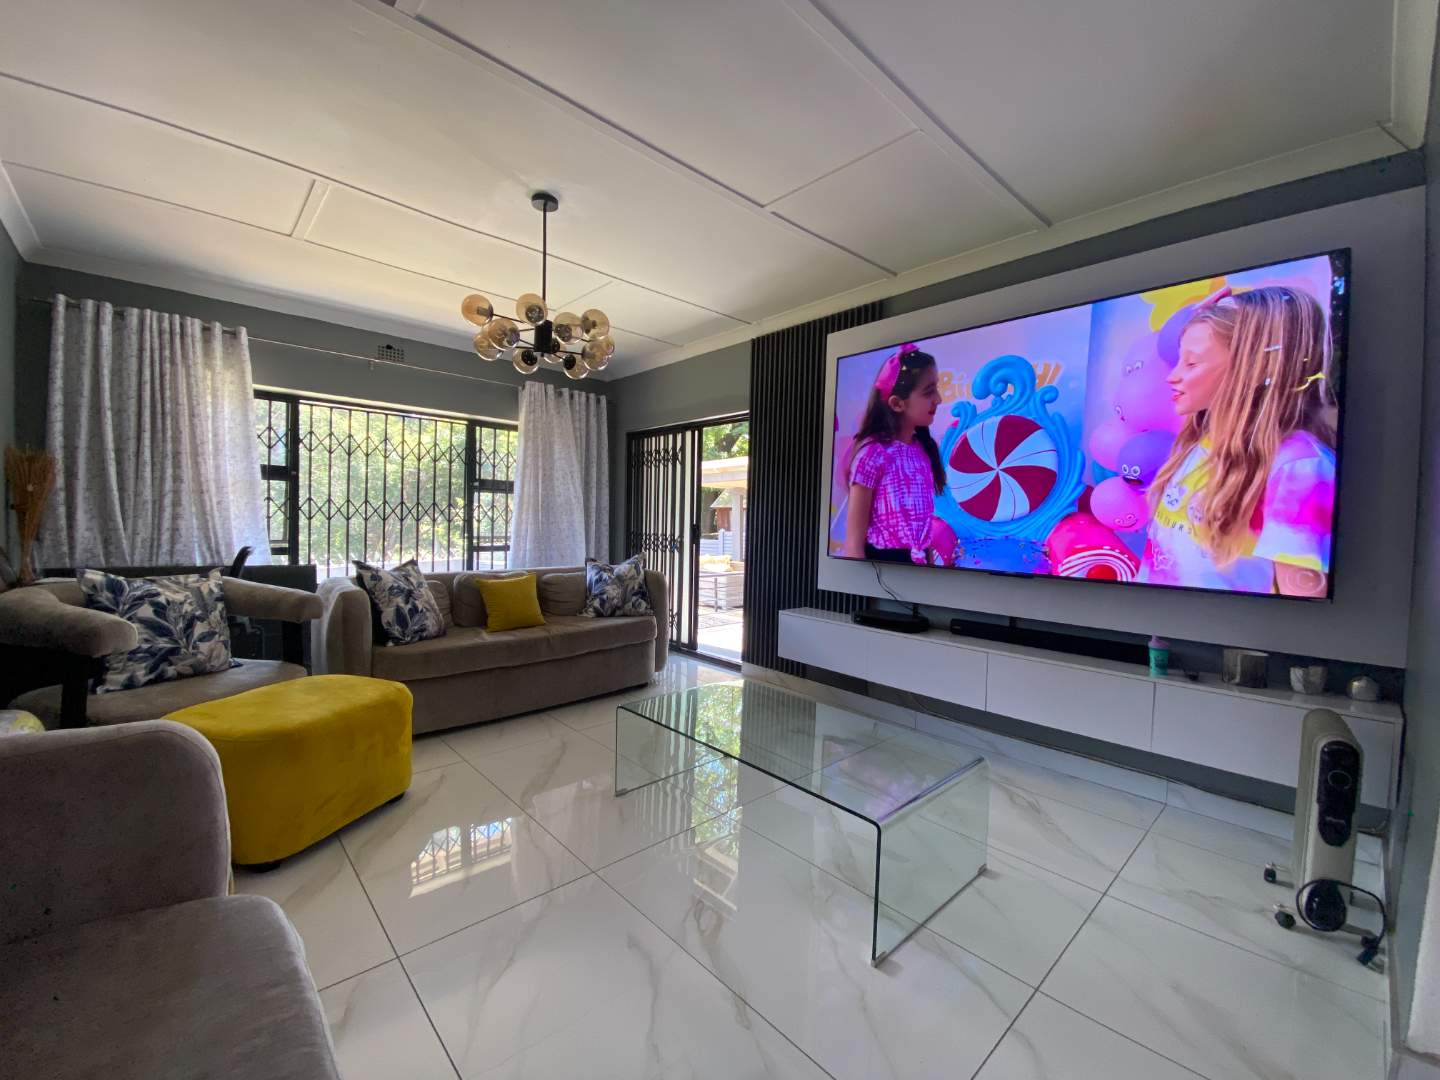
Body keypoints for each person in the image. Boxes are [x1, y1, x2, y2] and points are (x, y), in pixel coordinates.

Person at [1139, 285, 1337, 596]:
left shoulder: (1299, 468)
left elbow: (1305, 605)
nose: (1172, 376)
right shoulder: (1200, 443)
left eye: (1192, 363)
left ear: (1254, 368)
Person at [842, 344, 946, 564]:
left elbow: (923, 532)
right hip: (882, 566)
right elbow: (853, 546)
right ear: (897, 403)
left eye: (936, 388)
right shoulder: (873, 454)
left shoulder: (922, 450)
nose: (938, 399)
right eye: (929, 391)